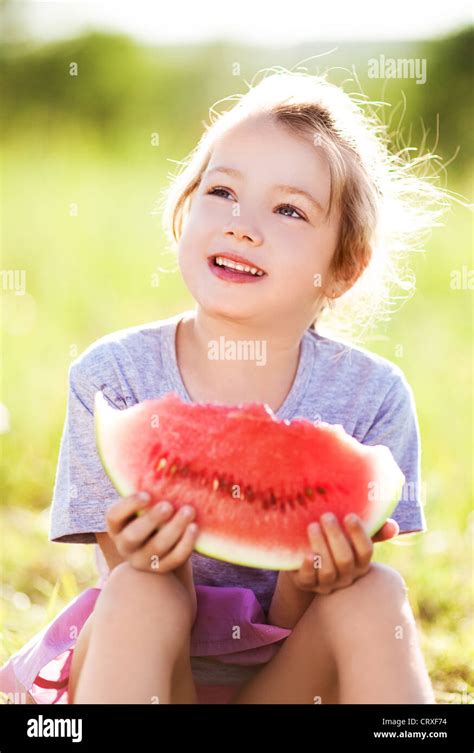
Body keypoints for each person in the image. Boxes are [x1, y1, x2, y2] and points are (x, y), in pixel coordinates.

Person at [1, 70, 449, 704]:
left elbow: (305, 622)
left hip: (291, 683)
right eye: (221, 192)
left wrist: (313, 578)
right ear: (183, 211)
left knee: (375, 592)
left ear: (343, 266)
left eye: (289, 209)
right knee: (138, 590)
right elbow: (129, 580)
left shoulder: (372, 398)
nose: (241, 225)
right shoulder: (114, 380)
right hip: (151, 671)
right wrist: (154, 558)